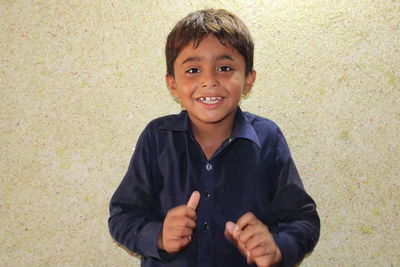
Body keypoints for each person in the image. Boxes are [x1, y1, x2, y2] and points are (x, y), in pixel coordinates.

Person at [109, 9, 320, 267]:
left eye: (224, 68)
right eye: (193, 69)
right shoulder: (157, 138)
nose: (209, 81)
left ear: (249, 80)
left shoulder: (268, 138)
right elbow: (122, 216)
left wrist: (277, 248)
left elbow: (303, 219)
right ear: (172, 84)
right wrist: (159, 236)